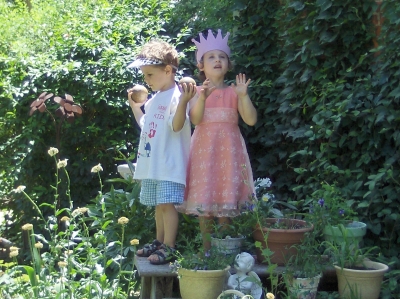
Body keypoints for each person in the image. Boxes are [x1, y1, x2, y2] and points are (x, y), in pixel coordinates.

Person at [176, 29, 257, 249]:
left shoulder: (234, 91)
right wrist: (202, 97)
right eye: (211, 57)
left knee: (226, 197)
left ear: (228, 64)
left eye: (222, 57)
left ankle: (225, 248)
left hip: (229, 150)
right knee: (205, 196)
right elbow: (195, 119)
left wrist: (243, 95)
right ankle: (207, 251)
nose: (217, 60)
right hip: (204, 149)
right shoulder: (197, 91)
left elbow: (250, 120)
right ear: (201, 65)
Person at [127, 40, 196, 265]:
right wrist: (136, 108)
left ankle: (170, 247)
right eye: (144, 75)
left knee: (167, 205)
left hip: (169, 164)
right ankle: (159, 242)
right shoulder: (155, 98)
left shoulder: (176, 95)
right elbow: (146, 125)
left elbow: (176, 126)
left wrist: (185, 102)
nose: (146, 80)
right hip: (154, 165)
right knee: (159, 205)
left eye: (149, 74)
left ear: (168, 71)